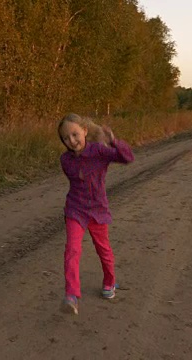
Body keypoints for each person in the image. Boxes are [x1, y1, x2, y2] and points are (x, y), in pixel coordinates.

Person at [57, 113, 134, 315]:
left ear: (85, 131)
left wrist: (113, 142)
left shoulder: (99, 151)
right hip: (76, 209)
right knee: (72, 250)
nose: (71, 141)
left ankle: (110, 282)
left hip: (98, 210)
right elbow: (79, 179)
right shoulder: (65, 160)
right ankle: (71, 295)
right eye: (66, 138)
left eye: (75, 134)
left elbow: (127, 157)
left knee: (104, 250)